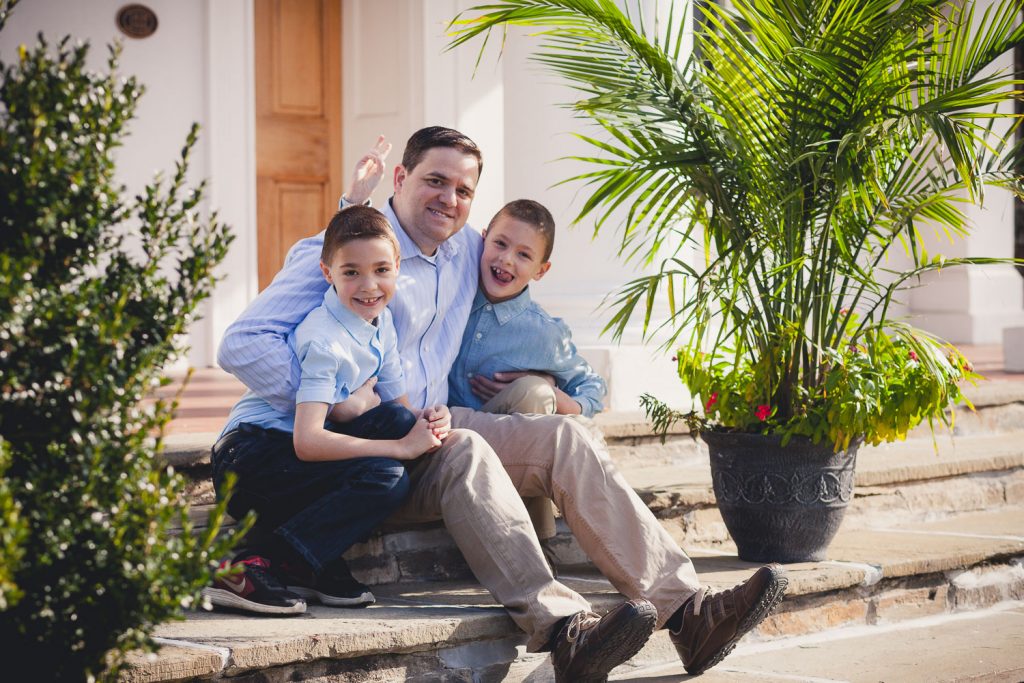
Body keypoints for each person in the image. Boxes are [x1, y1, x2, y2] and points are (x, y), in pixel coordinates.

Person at [218, 127, 787, 679]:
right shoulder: (342, 248)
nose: (449, 199)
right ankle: (566, 631)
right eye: (435, 181)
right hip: (332, 444)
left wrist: (551, 384)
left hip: (424, 421)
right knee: (464, 451)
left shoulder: (468, 250)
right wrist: (340, 398)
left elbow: (520, 271)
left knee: (564, 436)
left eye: (464, 191)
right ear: (401, 177)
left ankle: (690, 613)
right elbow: (240, 344)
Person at [205, 206, 449, 616]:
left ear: (397, 270)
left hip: (288, 462)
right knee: (387, 477)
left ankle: (303, 564)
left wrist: (430, 421)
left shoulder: (380, 321)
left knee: (399, 422)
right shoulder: (324, 338)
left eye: (381, 270)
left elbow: (398, 409)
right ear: (327, 273)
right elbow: (308, 441)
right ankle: (249, 565)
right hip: (250, 461)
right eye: (351, 272)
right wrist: (402, 450)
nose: (369, 285)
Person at [448, 198, 607, 541]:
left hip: (504, 442)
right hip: (446, 433)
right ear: (483, 239)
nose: (506, 259)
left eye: (523, 254)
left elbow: (592, 388)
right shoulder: (447, 296)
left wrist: (550, 391)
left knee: (534, 393)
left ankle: (538, 538)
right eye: (500, 244)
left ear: (541, 270)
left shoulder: (543, 333)